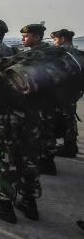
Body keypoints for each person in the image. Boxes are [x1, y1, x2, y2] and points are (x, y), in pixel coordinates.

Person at [0, 19, 41, 224]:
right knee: (26, 159)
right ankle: (29, 203)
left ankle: (4, 206)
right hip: (27, 117)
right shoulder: (14, 52)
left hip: (3, 121)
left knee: (0, 160)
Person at [21, 23, 58, 175]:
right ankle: (46, 162)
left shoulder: (41, 54)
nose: (23, 39)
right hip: (46, 100)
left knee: (41, 132)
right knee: (45, 131)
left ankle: (46, 163)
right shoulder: (47, 52)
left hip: (42, 101)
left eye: (26, 36)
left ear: (36, 37)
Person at [51, 29, 81, 157]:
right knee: (70, 117)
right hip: (74, 91)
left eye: (55, 39)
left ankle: (69, 147)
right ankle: (70, 145)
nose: (54, 42)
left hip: (63, 90)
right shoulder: (78, 53)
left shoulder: (63, 54)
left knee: (64, 118)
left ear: (62, 39)